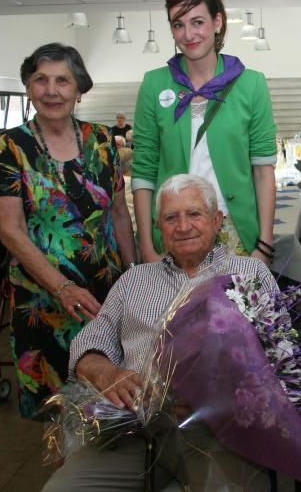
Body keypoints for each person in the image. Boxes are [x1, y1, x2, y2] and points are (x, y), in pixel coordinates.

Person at [42, 175, 274, 491]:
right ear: (158, 227)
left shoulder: (250, 273)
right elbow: (95, 336)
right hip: (136, 429)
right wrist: (103, 369)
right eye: (171, 218)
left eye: (194, 214)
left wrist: (224, 393)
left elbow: (279, 352)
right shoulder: (134, 280)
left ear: (217, 219)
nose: (183, 226)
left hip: (222, 432)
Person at [0, 43, 136, 419]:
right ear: (28, 87)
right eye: (41, 79)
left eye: (62, 80)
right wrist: (62, 287)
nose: (51, 90)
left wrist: (135, 276)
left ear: (79, 89)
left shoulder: (102, 141)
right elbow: (10, 230)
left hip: (106, 298)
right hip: (44, 302)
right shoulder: (10, 147)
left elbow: (119, 214)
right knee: (59, 416)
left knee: (114, 404)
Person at [133, 0, 277, 266]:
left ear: (218, 22)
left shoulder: (251, 84)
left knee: (234, 311)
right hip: (175, 232)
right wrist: (147, 246)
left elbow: (263, 172)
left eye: (197, 22)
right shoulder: (154, 84)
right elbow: (143, 172)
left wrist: (264, 244)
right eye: (178, 24)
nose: (188, 34)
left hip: (235, 231)